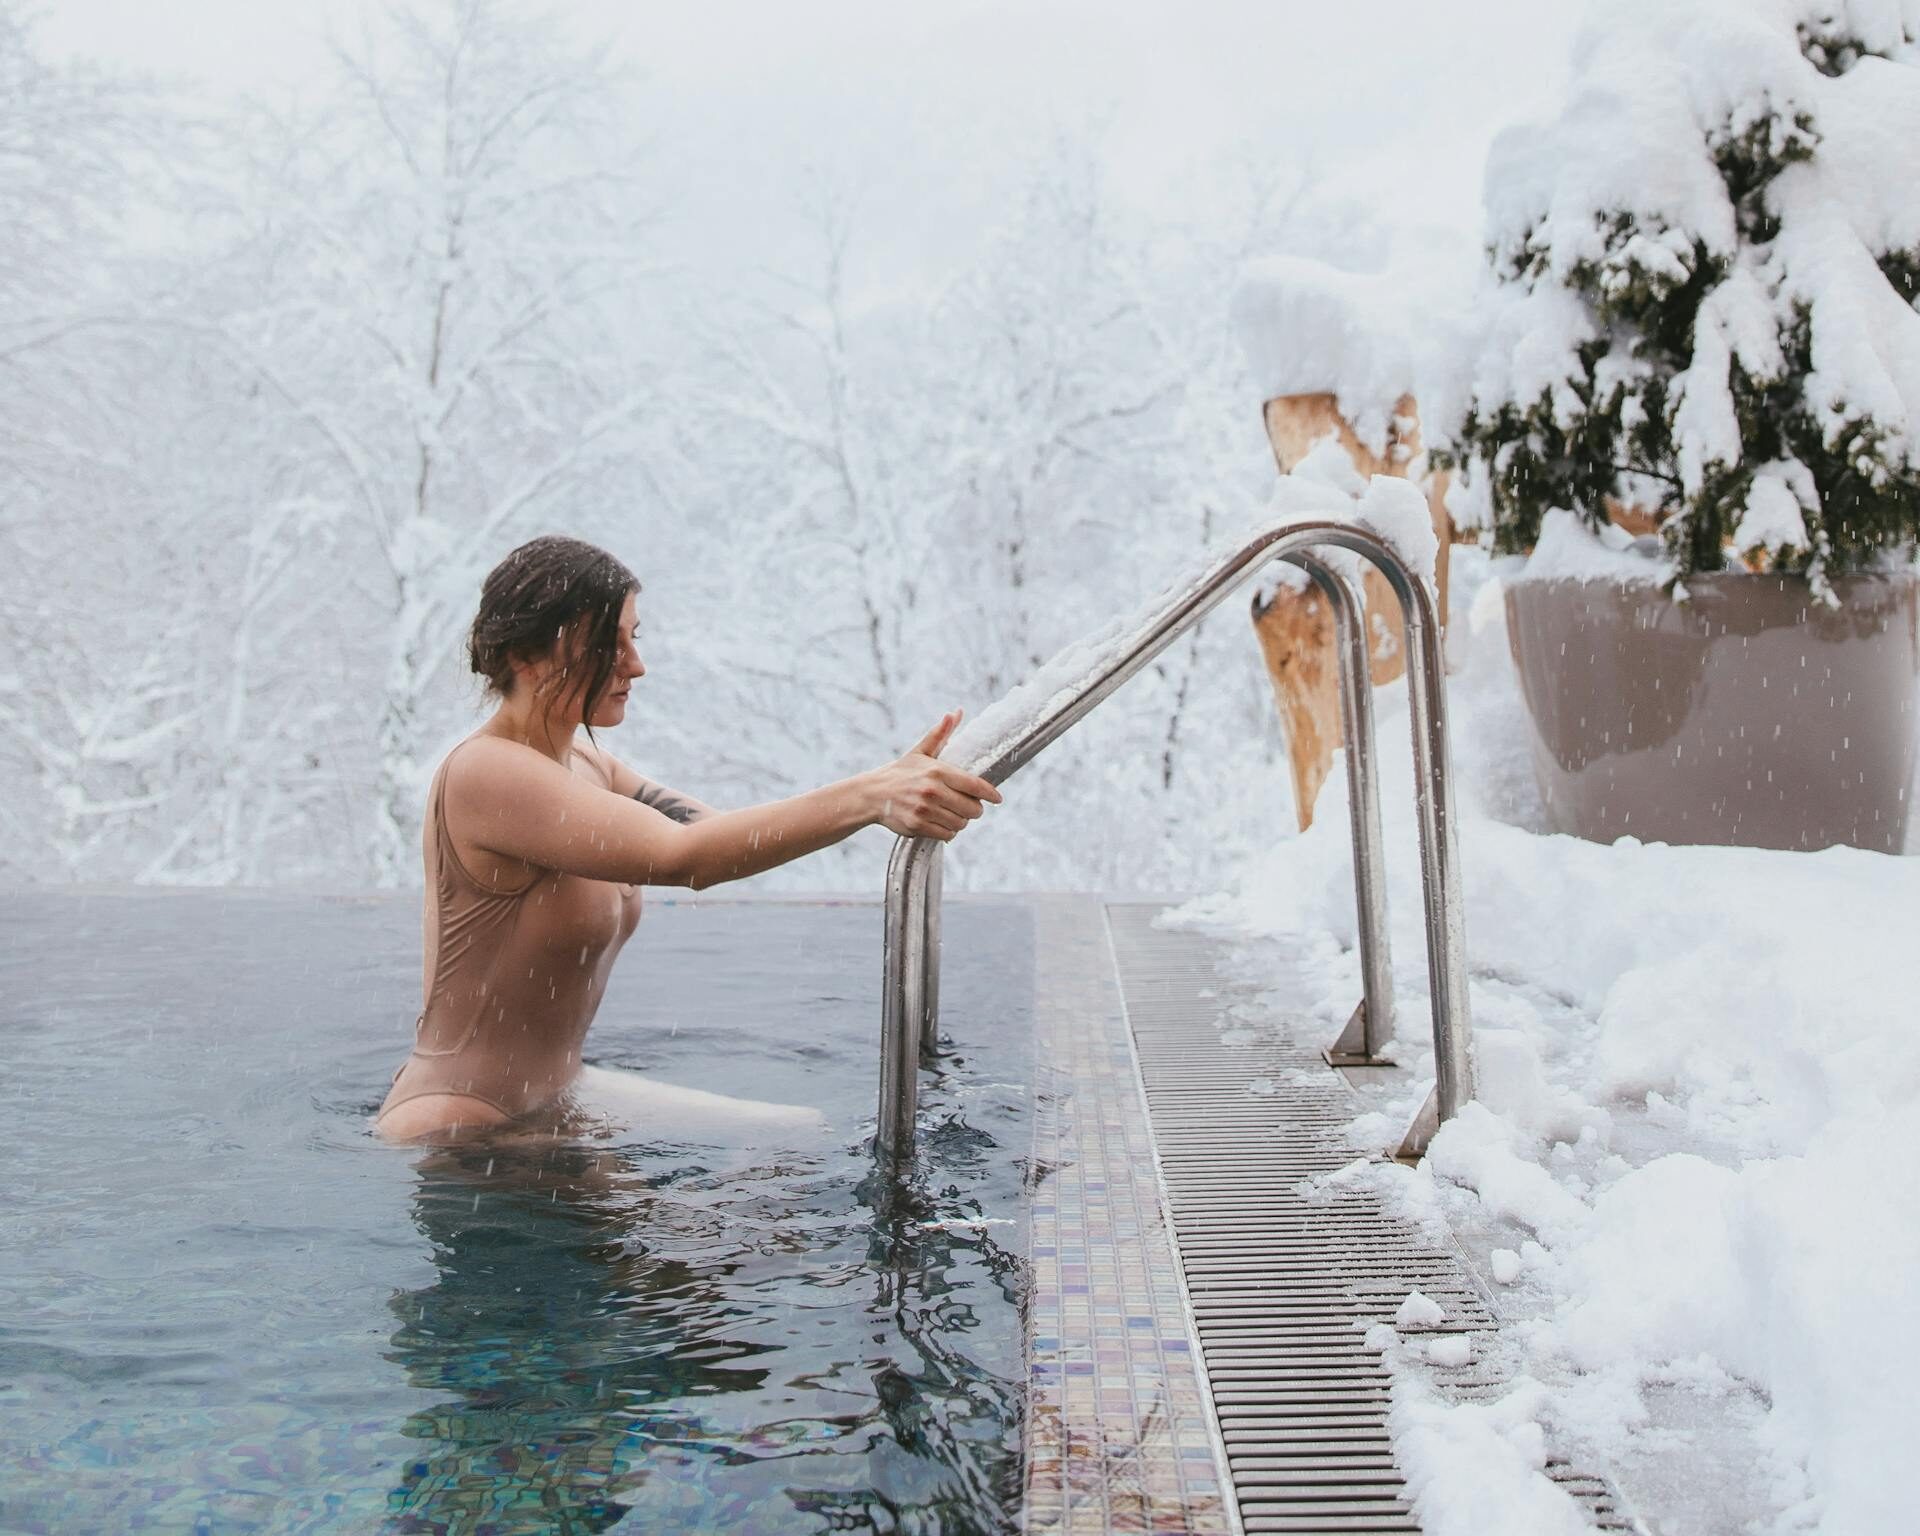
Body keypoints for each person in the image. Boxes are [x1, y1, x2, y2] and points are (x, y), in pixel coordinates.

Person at [374, 534, 1002, 1143]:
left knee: (798, 1141)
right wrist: (870, 796)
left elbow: (713, 835)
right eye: (606, 645)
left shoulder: (586, 768)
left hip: (556, 1094)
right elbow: (687, 860)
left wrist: (881, 784)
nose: (635, 666)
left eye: (632, 639)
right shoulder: (488, 774)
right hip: (464, 1122)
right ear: (526, 657)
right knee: (713, 1241)